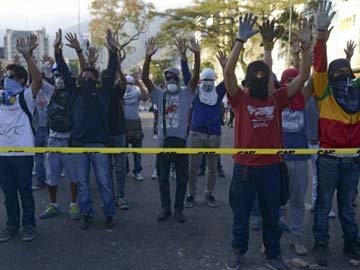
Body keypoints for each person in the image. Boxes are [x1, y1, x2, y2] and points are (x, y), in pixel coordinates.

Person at [224, 14, 312, 270]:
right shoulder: (239, 99)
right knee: (241, 215)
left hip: (272, 168)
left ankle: (273, 255)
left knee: (272, 215)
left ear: (270, 78)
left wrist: (306, 47)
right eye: (256, 74)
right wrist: (240, 40)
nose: (261, 77)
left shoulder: (277, 98)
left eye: (265, 73)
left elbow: (304, 75)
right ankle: (238, 252)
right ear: (249, 80)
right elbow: (229, 72)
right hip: (245, 168)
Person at [311, 1, 360, 266]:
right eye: (339, 74)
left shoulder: (356, 93)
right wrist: (320, 38)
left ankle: (352, 246)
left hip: (352, 161)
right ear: (330, 79)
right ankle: (321, 246)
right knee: (323, 207)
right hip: (329, 160)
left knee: (348, 209)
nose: (345, 79)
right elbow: (319, 68)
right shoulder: (324, 93)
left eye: (347, 73)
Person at [57, 29, 117, 230]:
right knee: (82, 183)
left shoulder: (103, 91)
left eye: (88, 73)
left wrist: (113, 51)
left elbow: (112, 70)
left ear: (95, 76)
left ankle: (109, 214)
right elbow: (66, 73)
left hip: (99, 144)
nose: (85, 75)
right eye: (83, 74)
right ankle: (87, 214)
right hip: (79, 145)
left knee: (104, 183)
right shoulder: (76, 91)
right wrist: (59, 52)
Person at [142, 36, 200, 223]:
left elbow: (196, 77)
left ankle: (178, 209)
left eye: (173, 77)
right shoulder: (159, 95)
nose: (170, 80)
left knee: (182, 180)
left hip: (182, 145)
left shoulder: (186, 94)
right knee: (163, 179)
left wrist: (195, 55)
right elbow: (144, 79)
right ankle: (165, 208)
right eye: (167, 78)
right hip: (163, 145)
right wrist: (148, 57)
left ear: (179, 79)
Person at [0, 35, 43, 242]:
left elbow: (38, 81)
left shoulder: (25, 97)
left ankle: (28, 225)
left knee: (25, 191)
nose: (6, 78)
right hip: (2, 154)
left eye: (11, 76)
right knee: (8, 195)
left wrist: (28, 57)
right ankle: (11, 225)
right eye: (5, 75)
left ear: (21, 81)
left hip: (23, 154)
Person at [38, 32, 85, 221]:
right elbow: (38, 80)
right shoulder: (50, 92)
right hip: (52, 138)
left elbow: (80, 75)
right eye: (55, 75)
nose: (59, 78)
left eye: (61, 75)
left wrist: (64, 52)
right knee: (52, 176)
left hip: (69, 140)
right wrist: (49, 54)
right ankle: (53, 204)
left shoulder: (74, 93)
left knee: (73, 175)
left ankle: (74, 205)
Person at [108, 59, 128, 210]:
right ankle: (109, 197)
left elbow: (123, 83)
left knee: (120, 168)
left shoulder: (116, 90)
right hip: (105, 135)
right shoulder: (100, 91)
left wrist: (119, 69)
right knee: (106, 168)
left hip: (119, 132)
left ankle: (120, 196)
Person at [124, 75, 148, 181]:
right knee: (122, 151)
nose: (128, 86)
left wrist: (141, 85)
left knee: (137, 151)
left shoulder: (136, 93)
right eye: (126, 84)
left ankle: (138, 171)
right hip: (123, 125)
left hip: (135, 125)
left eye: (130, 84)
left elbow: (145, 97)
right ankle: (125, 169)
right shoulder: (120, 93)